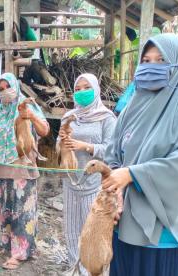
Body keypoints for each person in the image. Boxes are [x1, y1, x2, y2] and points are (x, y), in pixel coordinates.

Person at [103, 33, 178, 275]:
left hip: (164, 240)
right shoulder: (134, 105)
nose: (151, 68)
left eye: (161, 61)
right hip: (124, 227)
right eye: (146, 60)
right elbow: (114, 151)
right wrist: (116, 188)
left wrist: (133, 174)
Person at [0, 72, 49, 270]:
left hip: (21, 164)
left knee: (21, 210)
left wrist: (30, 116)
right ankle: (6, 243)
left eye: (7, 87)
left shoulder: (26, 105)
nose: (5, 91)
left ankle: (21, 252)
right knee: (3, 209)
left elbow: (44, 130)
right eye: (1, 89)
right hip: (0, 167)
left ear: (15, 85)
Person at [57, 73, 117, 272]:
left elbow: (112, 150)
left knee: (91, 231)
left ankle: (91, 270)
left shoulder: (106, 118)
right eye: (77, 89)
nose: (81, 92)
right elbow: (58, 146)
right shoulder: (68, 117)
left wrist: (87, 146)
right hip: (71, 180)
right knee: (72, 229)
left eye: (86, 87)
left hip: (94, 185)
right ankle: (74, 267)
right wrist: (63, 143)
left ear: (96, 90)